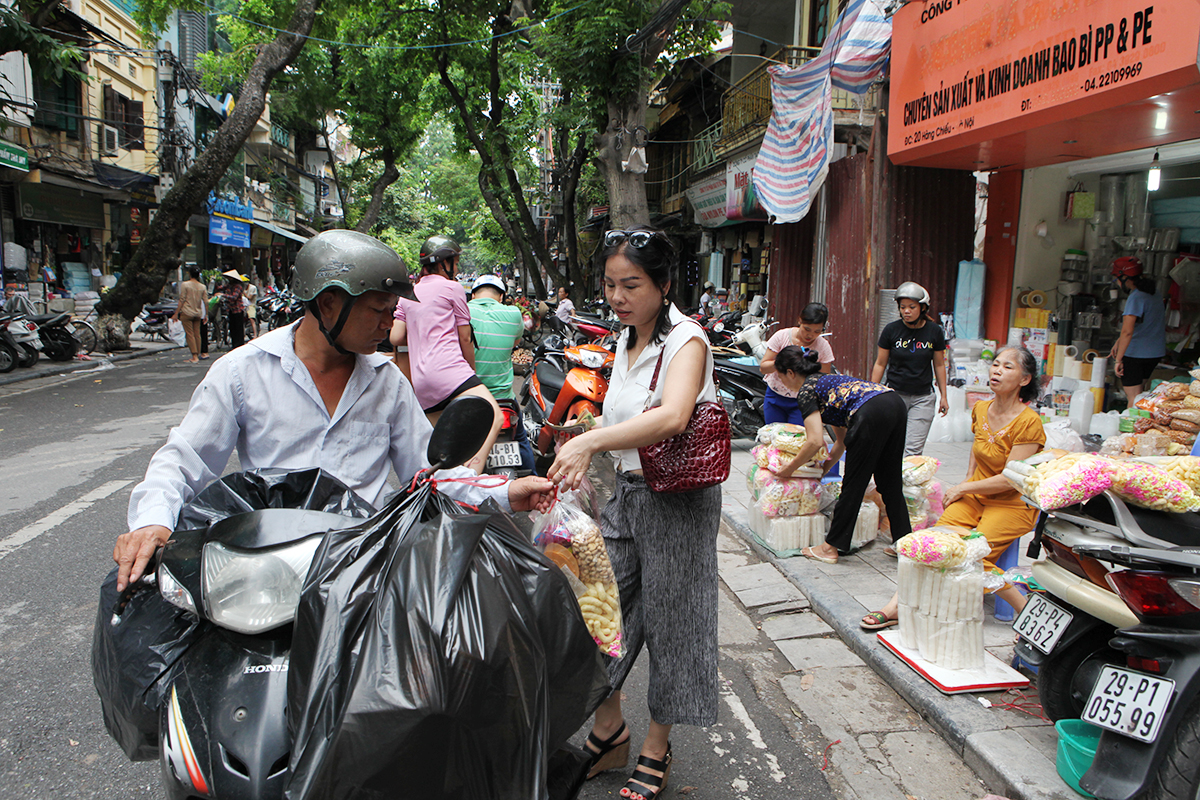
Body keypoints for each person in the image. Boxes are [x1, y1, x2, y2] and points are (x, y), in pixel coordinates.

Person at [113, 229, 554, 593]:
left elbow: (430, 473)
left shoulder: (385, 381)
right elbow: (184, 459)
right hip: (270, 573)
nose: (389, 325)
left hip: (369, 571)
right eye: (379, 311)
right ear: (327, 304)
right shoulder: (243, 372)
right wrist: (153, 522)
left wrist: (503, 493)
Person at [548, 226, 725, 800]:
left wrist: (592, 444)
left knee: (676, 624)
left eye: (632, 285)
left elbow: (674, 415)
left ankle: (655, 745)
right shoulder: (625, 342)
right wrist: (588, 432)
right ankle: (609, 727)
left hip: (678, 502)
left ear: (664, 284)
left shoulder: (686, 340)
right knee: (597, 609)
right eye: (609, 285)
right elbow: (627, 420)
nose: (618, 296)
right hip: (624, 496)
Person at [862, 345, 1045, 629]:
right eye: (995, 364)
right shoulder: (981, 408)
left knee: (969, 558)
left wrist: (963, 489)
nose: (997, 370)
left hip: (1010, 503)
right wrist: (967, 480)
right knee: (931, 545)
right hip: (975, 495)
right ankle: (895, 607)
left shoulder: (1029, 422)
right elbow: (978, 448)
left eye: (1008, 367)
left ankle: (1028, 611)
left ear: (1025, 379)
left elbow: (1011, 478)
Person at [770, 346, 911, 564]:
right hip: (893, 402)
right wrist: (822, 471)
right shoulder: (828, 380)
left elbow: (815, 440)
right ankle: (904, 544)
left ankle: (830, 547)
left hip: (870, 413)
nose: (782, 384)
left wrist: (789, 469)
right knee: (890, 481)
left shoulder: (807, 391)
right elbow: (841, 441)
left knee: (853, 484)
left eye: (780, 377)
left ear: (790, 373)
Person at [390, 235, 502, 473]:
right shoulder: (453, 288)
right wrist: (470, 371)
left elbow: (395, 337)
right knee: (494, 416)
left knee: (440, 451)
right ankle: (471, 476)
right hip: (451, 373)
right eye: (456, 262)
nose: (458, 268)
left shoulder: (409, 293)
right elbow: (464, 338)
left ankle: (439, 492)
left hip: (421, 382)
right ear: (443, 263)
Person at [871, 281, 949, 456]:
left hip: (923, 398)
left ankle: (907, 482)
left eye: (912, 307)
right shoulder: (891, 330)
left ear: (922, 308)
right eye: (903, 307)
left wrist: (944, 395)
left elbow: (939, 364)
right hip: (894, 395)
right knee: (889, 446)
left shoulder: (934, 331)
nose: (906, 311)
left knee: (912, 450)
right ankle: (885, 482)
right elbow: (880, 363)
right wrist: (871, 392)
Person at [468, 274, 535, 473]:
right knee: (521, 440)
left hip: (471, 397)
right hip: (504, 400)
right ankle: (537, 483)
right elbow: (515, 343)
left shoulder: (462, 313)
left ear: (473, 295)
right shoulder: (514, 314)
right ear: (501, 296)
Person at [759, 303, 835, 424]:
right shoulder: (781, 336)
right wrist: (783, 362)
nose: (810, 335)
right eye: (807, 329)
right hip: (775, 397)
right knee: (774, 436)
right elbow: (763, 368)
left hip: (803, 401)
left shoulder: (823, 346)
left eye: (817, 331)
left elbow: (824, 378)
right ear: (799, 320)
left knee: (797, 439)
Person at [1109, 257, 1166, 408]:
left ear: (1124, 277)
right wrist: (1118, 342)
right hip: (1153, 352)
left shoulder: (1135, 297)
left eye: (1116, 280)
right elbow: (1143, 325)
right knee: (1141, 394)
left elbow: (1127, 331)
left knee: (1134, 398)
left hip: (1135, 354)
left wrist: (1118, 360)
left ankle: (1129, 431)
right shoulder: (1154, 293)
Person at [172, 266, 208, 363]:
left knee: (189, 334)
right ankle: (198, 353)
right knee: (197, 334)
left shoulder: (185, 284)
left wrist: (176, 313)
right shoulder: (202, 286)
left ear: (189, 274)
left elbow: (182, 299)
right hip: (198, 312)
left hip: (187, 311)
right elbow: (205, 301)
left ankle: (194, 356)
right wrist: (206, 315)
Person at [220, 270, 248, 349]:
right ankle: (234, 344)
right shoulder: (229, 285)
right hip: (231, 310)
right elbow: (219, 288)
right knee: (232, 328)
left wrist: (224, 295)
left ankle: (239, 345)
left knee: (238, 329)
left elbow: (234, 297)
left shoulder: (238, 286)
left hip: (238, 310)